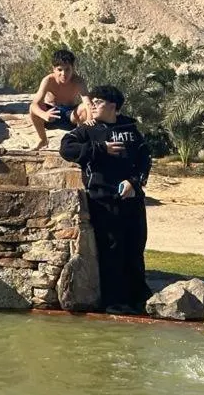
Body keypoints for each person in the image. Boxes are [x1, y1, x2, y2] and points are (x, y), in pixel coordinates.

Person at [59, 84, 152, 314]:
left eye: (98, 102)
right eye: (91, 102)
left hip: (132, 199)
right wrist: (100, 149)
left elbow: (144, 159)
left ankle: (140, 298)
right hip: (102, 200)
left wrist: (133, 182)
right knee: (112, 248)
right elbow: (66, 149)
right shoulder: (87, 130)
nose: (92, 106)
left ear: (113, 106)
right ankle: (114, 302)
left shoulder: (131, 129)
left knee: (135, 246)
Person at [29, 48, 91, 150]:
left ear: (73, 68)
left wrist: (89, 120)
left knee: (84, 109)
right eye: (60, 70)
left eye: (67, 69)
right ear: (53, 69)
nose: (64, 74)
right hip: (52, 115)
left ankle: (80, 140)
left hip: (70, 116)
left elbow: (87, 102)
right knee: (33, 109)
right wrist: (44, 114)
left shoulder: (78, 81)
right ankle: (42, 139)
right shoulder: (48, 80)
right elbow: (34, 104)